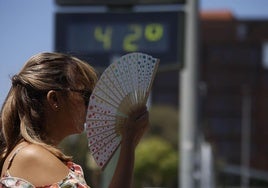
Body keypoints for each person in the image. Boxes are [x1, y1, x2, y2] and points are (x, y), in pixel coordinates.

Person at [0, 52, 149, 188]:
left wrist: (129, 142)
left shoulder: (30, 154)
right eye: (85, 95)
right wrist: (128, 143)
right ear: (55, 99)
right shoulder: (32, 156)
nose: (92, 104)